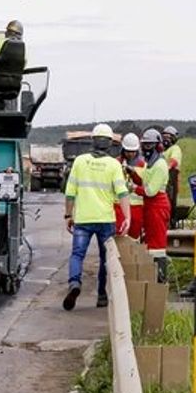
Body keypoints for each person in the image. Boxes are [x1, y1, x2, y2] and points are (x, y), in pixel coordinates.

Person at [64, 123, 130, 310]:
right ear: (110, 144)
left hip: (83, 219)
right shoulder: (113, 165)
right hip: (105, 220)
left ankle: (75, 283)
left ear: (92, 141)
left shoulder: (79, 161)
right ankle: (101, 295)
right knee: (104, 259)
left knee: (77, 254)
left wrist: (68, 215)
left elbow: (70, 193)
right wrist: (127, 217)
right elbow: (123, 193)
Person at [128, 129, 171, 281]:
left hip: (158, 206)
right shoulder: (150, 164)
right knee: (150, 241)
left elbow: (151, 190)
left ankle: (160, 279)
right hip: (150, 206)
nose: (146, 149)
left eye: (149, 145)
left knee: (157, 243)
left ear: (157, 146)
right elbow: (144, 181)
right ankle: (152, 276)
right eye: (144, 145)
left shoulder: (160, 165)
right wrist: (133, 173)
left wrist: (134, 189)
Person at [117, 133, 145, 240]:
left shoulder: (142, 164)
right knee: (120, 234)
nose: (130, 154)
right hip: (119, 205)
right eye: (128, 151)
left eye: (133, 151)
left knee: (134, 236)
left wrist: (133, 173)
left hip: (136, 206)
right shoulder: (117, 162)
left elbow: (143, 182)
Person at [160, 125, 182, 227]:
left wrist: (165, 168)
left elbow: (173, 161)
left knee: (170, 202)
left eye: (169, 137)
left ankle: (170, 223)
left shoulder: (175, 148)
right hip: (161, 179)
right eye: (164, 137)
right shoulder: (161, 151)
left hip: (171, 178)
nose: (166, 139)